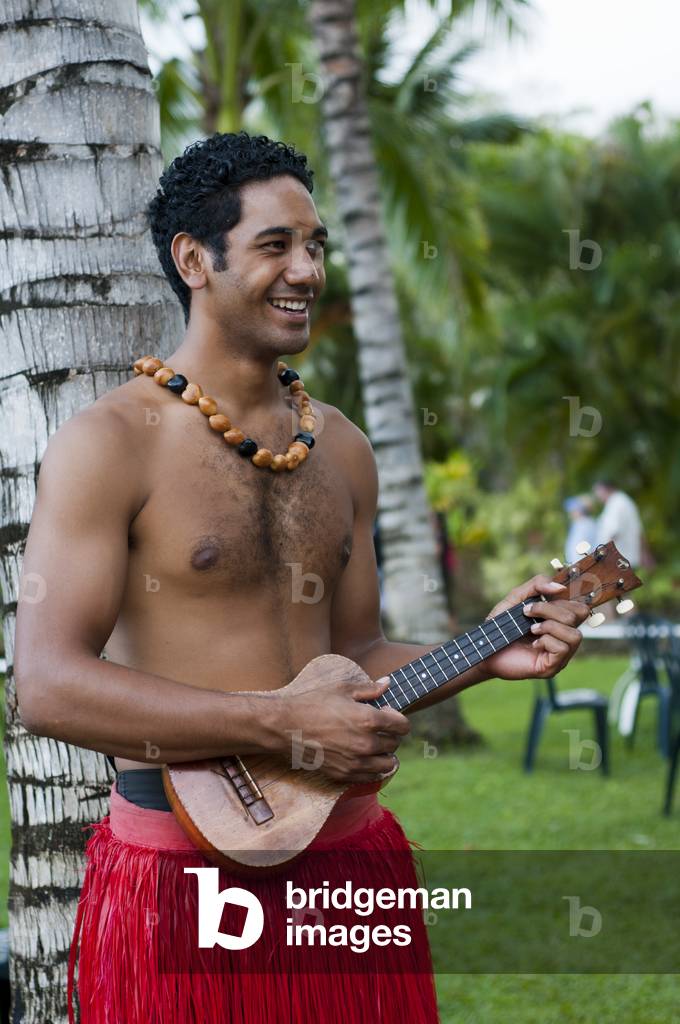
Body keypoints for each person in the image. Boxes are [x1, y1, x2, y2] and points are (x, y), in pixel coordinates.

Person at [13, 131, 588, 1024]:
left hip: (348, 862)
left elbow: (353, 653)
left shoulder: (343, 447)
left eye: (315, 245)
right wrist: (278, 722)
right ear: (194, 260)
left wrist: (485, 651)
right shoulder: (111, 443)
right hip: (182, 879)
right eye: (275, 246)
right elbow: (48, 688)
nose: (307, 270)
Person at [593, 480, 643, 567]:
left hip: (621, 559)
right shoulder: (619, 501)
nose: (597, 496)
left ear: (605, 489)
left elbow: (613, 532)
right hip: (622, 557)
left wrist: (603, 557)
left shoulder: (616, 503)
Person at [564, 494, 598, 565]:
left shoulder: (585, 524)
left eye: (573, 510)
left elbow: (580, 550)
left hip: (583, 565)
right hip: (578, 565)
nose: (571, 513)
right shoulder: (579, 524)